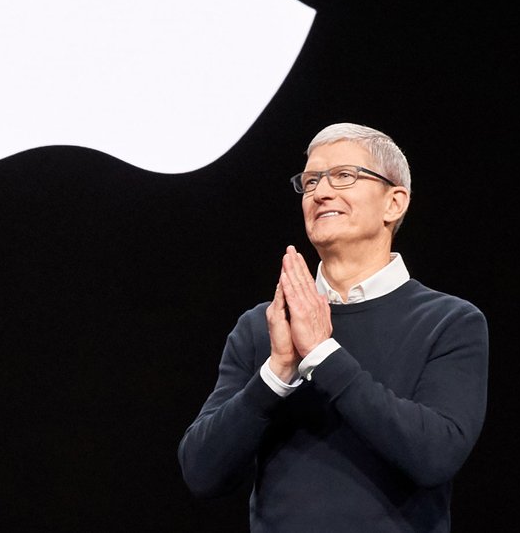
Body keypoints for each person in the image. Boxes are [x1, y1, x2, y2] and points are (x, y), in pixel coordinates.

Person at [178, 122, 489, 532]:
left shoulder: (451, 321)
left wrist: (323, 356)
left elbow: (434, 456)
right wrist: (276, 374)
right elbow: (202, 472)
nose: (321, 193)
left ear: (394, 203)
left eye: (344, 176)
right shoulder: (266, 325)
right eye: (310, 182)